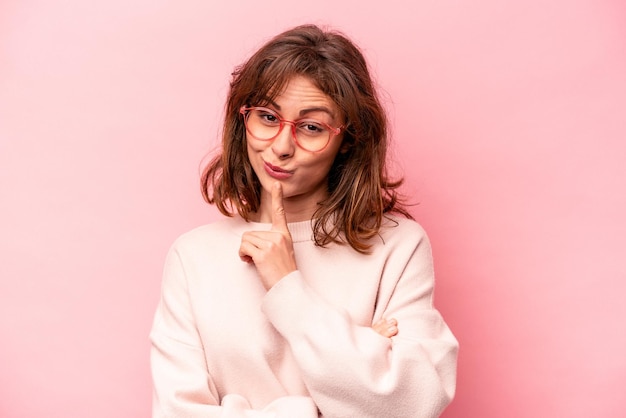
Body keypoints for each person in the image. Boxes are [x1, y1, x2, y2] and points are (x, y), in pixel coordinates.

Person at [150, 24, 458, 418]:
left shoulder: (397, 246)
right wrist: (335, 392)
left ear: (349, 138)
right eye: (266, 117)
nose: (280, 147)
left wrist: (287, 288)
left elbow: (412, 403)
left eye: (311, 127)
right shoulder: (193, 256)